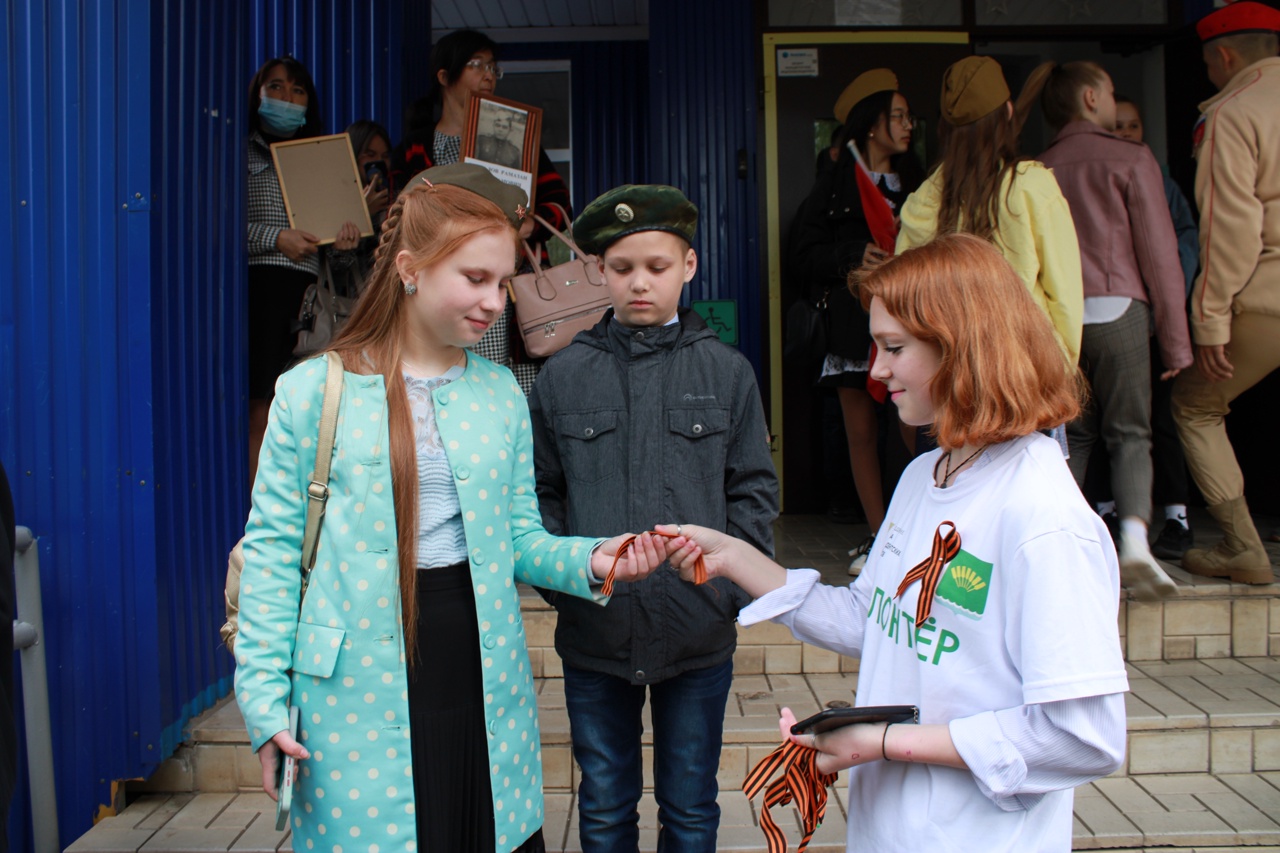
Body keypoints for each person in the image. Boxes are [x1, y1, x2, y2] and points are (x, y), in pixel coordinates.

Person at [233, 175, 674, 853]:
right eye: (475, 278)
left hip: (479, 659)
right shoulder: (311, 391)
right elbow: (270, 553)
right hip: (350, 682)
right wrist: (264, 703)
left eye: (502, 282)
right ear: (410, 269)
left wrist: (592, 558)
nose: (494, 301)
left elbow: (519, 537)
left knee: (482, 826)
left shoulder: (500, 392)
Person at [664, 234, 1128, 853]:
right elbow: (877, 620)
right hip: (888, 831)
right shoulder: (923, 474)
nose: (877, 371)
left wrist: (881, 742)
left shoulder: (1044, 518)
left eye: (894, 348)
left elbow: (1082, 740)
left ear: (964, 347)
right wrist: (735, 558)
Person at [528, 185, 779, 852]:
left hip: (697, 634)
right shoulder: (562, 375)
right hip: (597, 635)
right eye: (622, 267)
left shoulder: (727, 373)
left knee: (691, 808)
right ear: (599, 271)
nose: (640, 282)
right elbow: (540, 494)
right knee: (604, 808)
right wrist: (570, 585)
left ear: (689, 266)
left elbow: (753, 491)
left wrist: (727, 591)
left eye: (657, 266)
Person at [1038, 61, 1193, 599]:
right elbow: (1160, 255)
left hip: (1060, 322)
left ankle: (1053, 546)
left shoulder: (1040, 167)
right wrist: (1176, 342)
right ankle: (1134, 542)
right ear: (1089, 98)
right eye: (1106, 92)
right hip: (1121, 309)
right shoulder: (1132, 157)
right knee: (1130, 433)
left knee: (1070, 437)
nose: (1110, 101)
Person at [790, 69, 924, 574]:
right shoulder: (834, 183)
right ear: (872, 124)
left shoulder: (920, 183)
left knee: (915, 429)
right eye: (898, 116)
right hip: (853, 324)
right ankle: (879, 537)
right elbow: (804, 254)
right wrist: (851, 255)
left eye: (909, 117)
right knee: (861, 434)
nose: (908, 126)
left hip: (911, 319)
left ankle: (917, 532)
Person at [390, 29, 574, 393]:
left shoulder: (517, 141)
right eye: (476, 65)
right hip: (447, 284)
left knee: (513, 392)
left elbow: (560, 203)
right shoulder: (415, 147)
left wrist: (527, 225)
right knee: (446, 383)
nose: (488, 75)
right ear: (444, 76)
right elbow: (399, 217)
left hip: (513, 288)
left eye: (492, 67)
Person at [1171, 1, 1280, 586]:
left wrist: (1209, 321)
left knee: (1196, 405)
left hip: (1268, 297)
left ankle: (1242, 547)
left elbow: (1231, 230)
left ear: (1226, 57)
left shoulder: (1234, 112)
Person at [896, 55, 1084, 368]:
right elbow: (1064, 295)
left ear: (945, 128)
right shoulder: (1031, 185)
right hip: (1026, 370)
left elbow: (906, 297)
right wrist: (1061, 371)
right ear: (1008, 112)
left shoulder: (925, 198)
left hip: (952, 372)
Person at [247, 56, 360, 480]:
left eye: (297, 90)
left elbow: (340, 261)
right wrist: (276, 238)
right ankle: (258, 508)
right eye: (276, 87)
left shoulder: (325, 159)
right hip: (261, 290)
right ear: (258, 94)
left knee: (309, 405)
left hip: (310, 296)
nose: (287, 97)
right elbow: (216, 229)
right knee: (260, 406)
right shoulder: (239, 152)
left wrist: (346, 244)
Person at [1105, 95, 1200, 559]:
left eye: (1133, 126)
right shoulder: (1100, 176)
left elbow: (1185, 240)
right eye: (1116, 126)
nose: (1125, 134)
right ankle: (1106, 513)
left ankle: (1176, 518)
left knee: (1162, 419)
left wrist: (1169, 290)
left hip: (1158, 317)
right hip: (1116, 316)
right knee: (1110, 420)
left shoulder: (1160, 180)